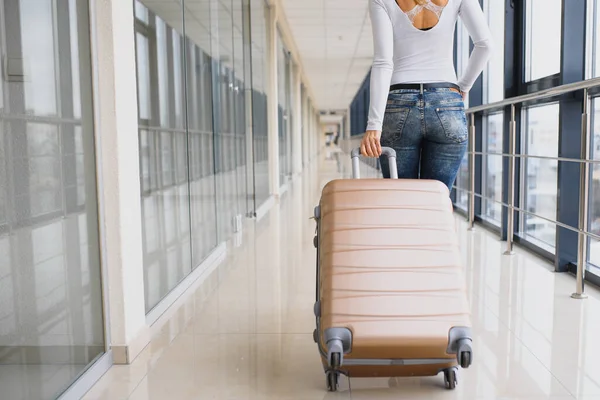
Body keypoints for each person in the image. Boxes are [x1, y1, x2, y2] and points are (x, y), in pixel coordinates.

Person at [360, 0, 492, 190]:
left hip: (399, 104)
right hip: (447, 101)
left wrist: (374, 125)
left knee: (401, 199)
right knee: (435, 201)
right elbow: (485, 45)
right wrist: (462, 86)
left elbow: (383, 63)